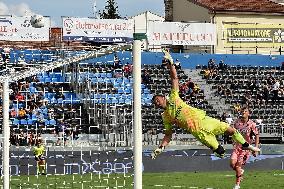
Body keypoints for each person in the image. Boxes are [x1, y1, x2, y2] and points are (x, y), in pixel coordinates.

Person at [151, 50, 260, 159]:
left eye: (157, 99)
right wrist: (161, 147)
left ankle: (248, 146)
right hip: (199, 132)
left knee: (231, 130)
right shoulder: (166, 117)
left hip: (205, 120)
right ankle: (217, 150)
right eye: (155, 103)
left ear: (163, 97)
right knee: (221, 152)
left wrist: (171, 63)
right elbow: (168, 134)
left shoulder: (174, 97)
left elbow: (174, 78)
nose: (156, 102)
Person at [230, 107, 259, 189]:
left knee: (238, 166)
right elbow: (233, 133)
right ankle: (240, 172)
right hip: (237, 147)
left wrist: (255, 148)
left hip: (246, 148)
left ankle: (237, 185)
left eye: (245, 111)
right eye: (242, 111)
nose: (243, 112)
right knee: (232, 164)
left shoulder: (252, 124)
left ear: (248, 114)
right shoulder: (236, 122)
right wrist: (233, 140)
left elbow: (257, 135)